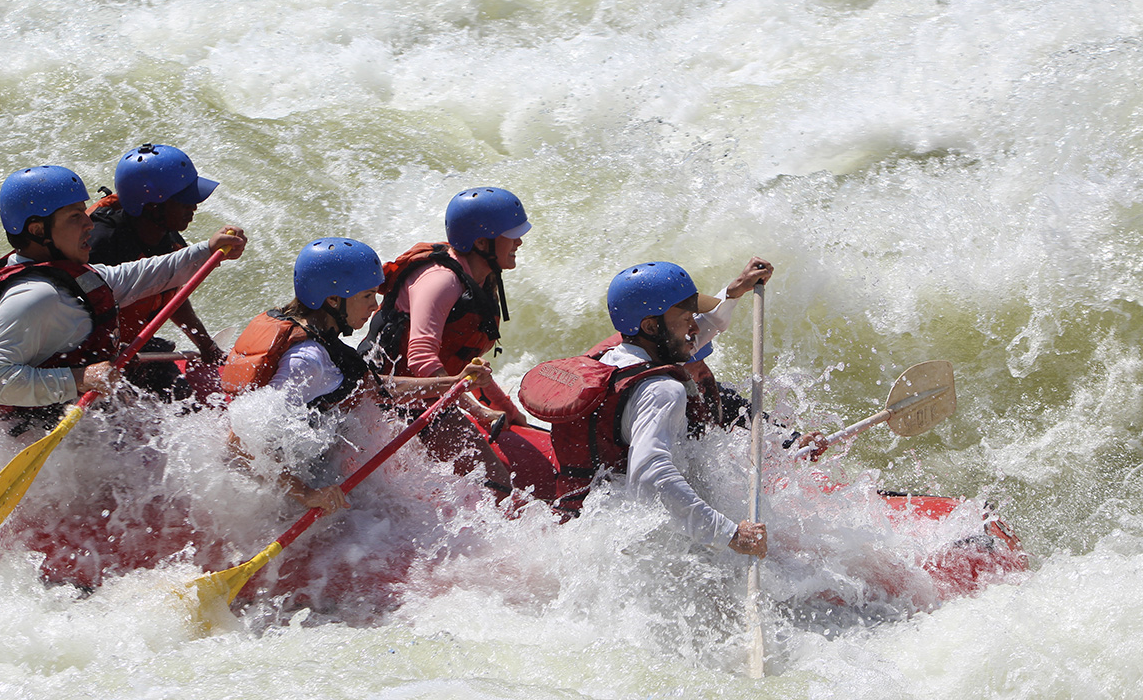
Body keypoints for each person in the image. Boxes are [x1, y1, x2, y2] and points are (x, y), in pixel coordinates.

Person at [524, 259, 824, 558]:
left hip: (586, 528)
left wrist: (733, 294)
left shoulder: (610, 357)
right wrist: (730, 534)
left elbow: (690, 336)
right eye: (686, 318)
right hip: (625, 548)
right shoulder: (661, 391)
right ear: (651, 325)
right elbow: (650, 476)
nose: (694, 327)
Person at [221, 237, 492, 514]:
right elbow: (241, 440)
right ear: (333, 300)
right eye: (366, 296)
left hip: (293, 477)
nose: (374, 306)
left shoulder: (323, 341)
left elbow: (375, 387)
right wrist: (306, 494)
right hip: (267, 495)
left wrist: (454, 382)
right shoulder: (306, 360)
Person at [0, 165, 246, 417]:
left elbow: (147, 274)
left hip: (85, 415)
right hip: (42, 428)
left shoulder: (76, 276)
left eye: (84, 213)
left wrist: (208, 251)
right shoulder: (32, 296)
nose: (89, 223)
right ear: (37, 231)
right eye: (74, 217)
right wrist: (79, 378)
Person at [357, 186, 532, 481]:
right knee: (498, 484)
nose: (520, 242)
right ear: (481, 242)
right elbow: (422, 360)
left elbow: (463, 364)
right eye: (511, 235)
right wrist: (478, 412)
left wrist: (507, 410)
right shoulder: (441, 282)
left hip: (427, 396)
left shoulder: (479, 278)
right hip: (392, 401)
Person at [86, 144, 225, 395]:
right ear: (153, 206)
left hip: (131, 348)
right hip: (88, 358)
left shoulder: (167, 238)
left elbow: (172, 298)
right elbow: (70, 314)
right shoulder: (98, 245)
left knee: (186, 403)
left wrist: (206, 346)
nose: (193, 207)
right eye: (184, 201)